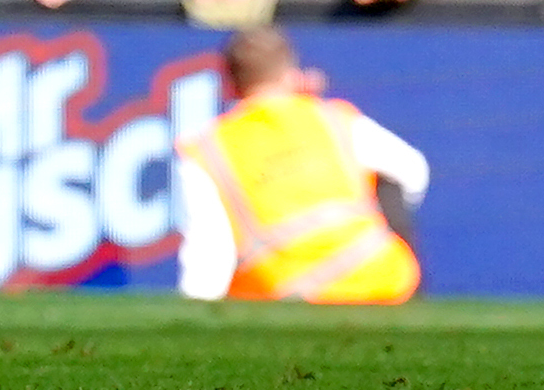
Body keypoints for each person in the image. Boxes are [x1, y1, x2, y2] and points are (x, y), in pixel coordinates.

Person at [175, 24, 426, 304]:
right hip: (384, 281)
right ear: (290, 74)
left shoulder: (209, 149)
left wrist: (193, 315)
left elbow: (208, 256)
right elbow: (411, 169)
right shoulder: (330, 118)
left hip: (292, 299)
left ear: (228, 85)